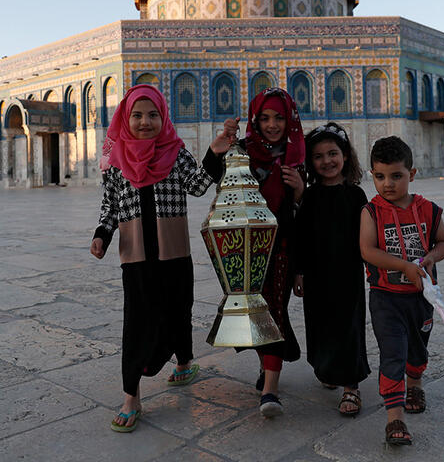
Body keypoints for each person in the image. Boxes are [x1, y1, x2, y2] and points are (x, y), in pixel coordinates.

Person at [90, 84, 237, 433]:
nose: (145, 122)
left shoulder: (175, 152)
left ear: (164, 116)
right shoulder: (115, 161)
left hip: (173, 254)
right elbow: (110, 206)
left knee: (177, 311)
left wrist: (215, 152)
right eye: (137, 115)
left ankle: (185, 363)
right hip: (136, 257)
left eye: (153, 114)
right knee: (137, 323)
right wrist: (101, 234)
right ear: (126, 118)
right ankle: (132, 396)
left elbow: (199, 185)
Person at [359, 136, 444, 447]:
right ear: (372, 174)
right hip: (386, 297)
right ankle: (394, 417)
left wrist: (429, 259)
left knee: (417, 349)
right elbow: (368, 251)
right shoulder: (371, 212)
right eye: (380, 176)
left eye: (396, 176)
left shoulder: (427, 209)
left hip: (421, 297)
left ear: (411, 174)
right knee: (393, 354)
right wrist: (404, 266)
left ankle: (415, 382)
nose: (388, 184)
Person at [294, 122, 370, 416]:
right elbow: (301, 236)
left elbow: (366, 238)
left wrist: (372, 267)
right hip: (316, 274)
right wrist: (298, 272)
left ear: (346, 156)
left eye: (332, 153)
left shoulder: (356, 196)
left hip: (347, 273)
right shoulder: (310, 197)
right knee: (320, 325)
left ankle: (351, 385)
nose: (327, 161)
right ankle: (327, 368)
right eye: (318, 156)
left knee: (348, 326)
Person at [240, 87, 305, 417]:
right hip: (247, 250)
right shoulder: (241, 152)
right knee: (254, 313)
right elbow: (218, 189)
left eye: (280, 117)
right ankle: (269, 363)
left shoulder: (297, 158)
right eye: (264, 118)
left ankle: (271, 391)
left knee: (274, 312)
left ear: (290, 118)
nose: (272, 124)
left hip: (281, 250)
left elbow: (305, 217)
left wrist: (299, 192)